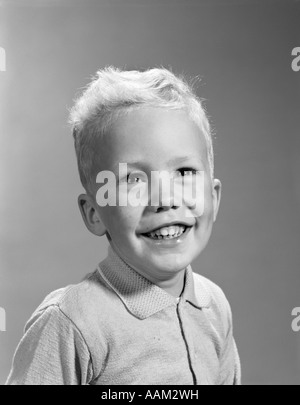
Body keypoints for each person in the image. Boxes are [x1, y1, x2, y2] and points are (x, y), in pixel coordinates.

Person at [6, 67, 241, 385]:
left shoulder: (214, 305)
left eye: (184, 172)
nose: (165, 199)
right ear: (94, 213)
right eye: (134, 179)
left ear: (213, 198)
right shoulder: (71, 322)